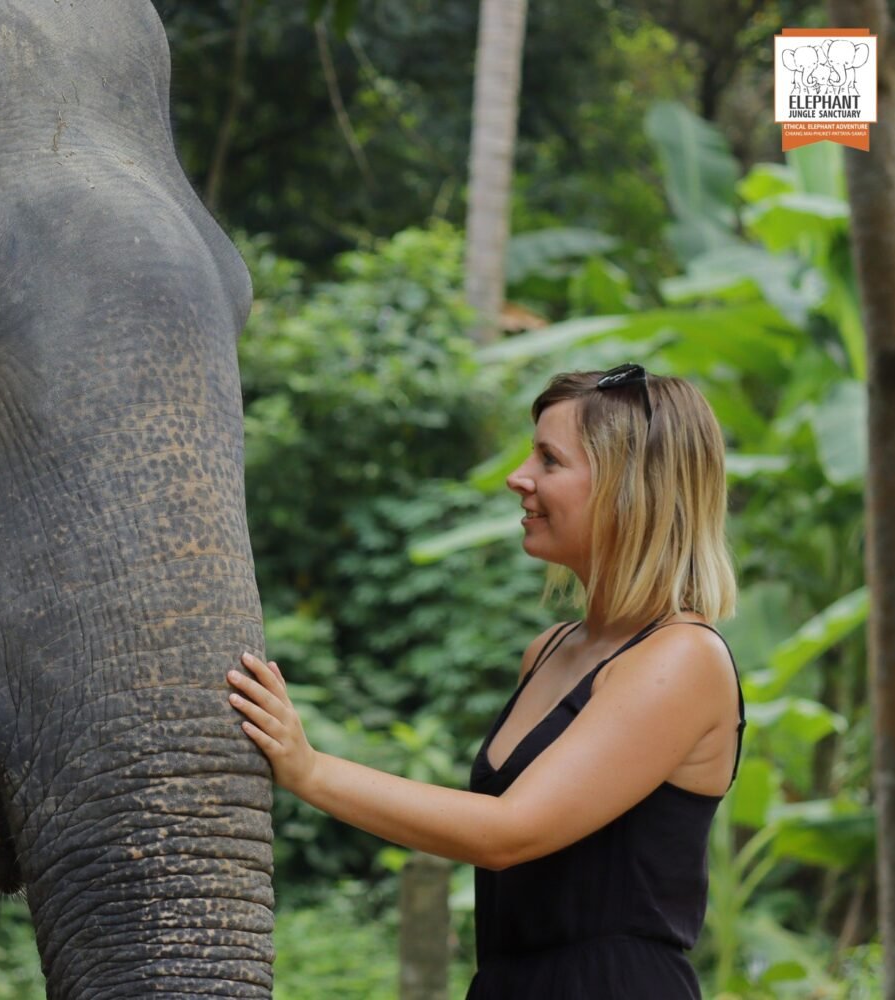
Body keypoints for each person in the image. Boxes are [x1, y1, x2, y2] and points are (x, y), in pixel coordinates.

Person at [228, 364, 745, 999]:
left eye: (549, 460)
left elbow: (509, 832)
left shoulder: (682, 658)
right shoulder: (550, 650)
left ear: (628, 488)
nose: (518, 477)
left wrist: (310, 770)